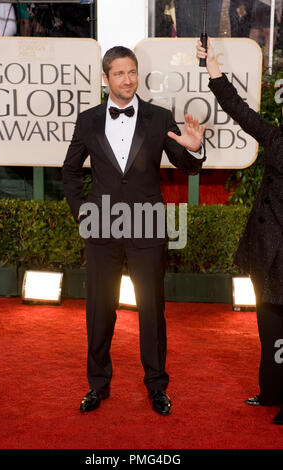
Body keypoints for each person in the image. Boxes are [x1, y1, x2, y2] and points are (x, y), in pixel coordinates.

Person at [62, 46, 206, 415]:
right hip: (102, 227)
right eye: (119, 74)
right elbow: (70, 170)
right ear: (105, 78)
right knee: (99, 309)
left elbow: (185, 164)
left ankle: (157, 386)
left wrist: (196, 147)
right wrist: (81, 210)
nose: (127, 80)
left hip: (148, 225)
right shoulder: (89, 120)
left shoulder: (160, 117)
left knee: (151, 309)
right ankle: (97, 384)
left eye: (132, 72)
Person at [196, 37, 283, 425]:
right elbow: (239, 111)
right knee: (269, 329)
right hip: (269, 253)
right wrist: (213, 71)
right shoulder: (277, 138)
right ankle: (271, 392)